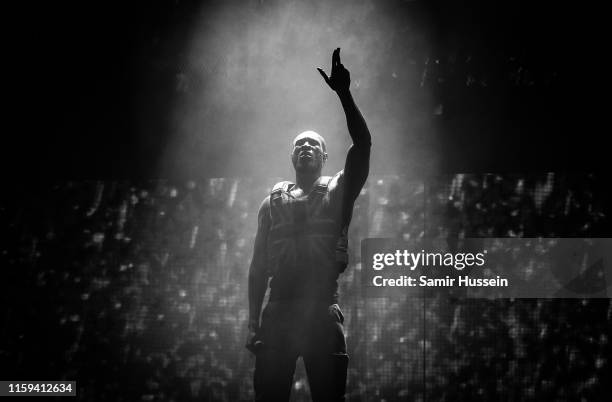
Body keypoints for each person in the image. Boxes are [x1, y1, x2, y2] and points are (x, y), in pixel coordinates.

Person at [246, 48, 371, 402]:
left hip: (320, 308)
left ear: (324, 156)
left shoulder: (337, 191)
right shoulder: (270, 202)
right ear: (291, 156)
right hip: (279, 308)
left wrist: (344, 94)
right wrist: (253, 321)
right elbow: (257, 266)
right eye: (299, 143)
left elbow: (363, 144)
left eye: (313, 143)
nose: (305, 147)